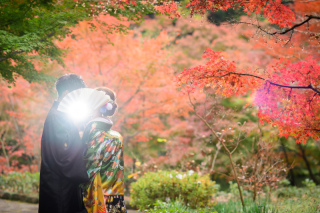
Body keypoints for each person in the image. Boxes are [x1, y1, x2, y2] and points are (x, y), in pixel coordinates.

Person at [39, 74, 89, 213]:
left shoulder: (59, 114)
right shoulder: (58, 117)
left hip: (57, 182)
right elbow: (63, 155)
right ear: (67, 94)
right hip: (60, 187)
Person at [82, 87, 126, 213]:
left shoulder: (92, 131)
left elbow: (87, 166)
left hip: (95, 192)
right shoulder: (118, 137)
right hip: (115, 191)